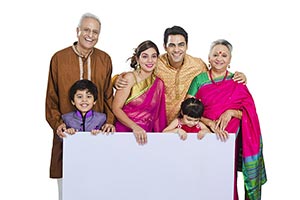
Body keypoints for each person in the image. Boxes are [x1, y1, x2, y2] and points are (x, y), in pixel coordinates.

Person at [114, 26, 247, 124]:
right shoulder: (156, 62)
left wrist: (239, 75)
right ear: (165, 47)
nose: (176, 50)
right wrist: (116, 79)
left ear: (187, 46)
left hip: (187, 125)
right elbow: (136, 75)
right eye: (172, 45)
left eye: (181, 45)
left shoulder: (197, 65)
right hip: (157, 125)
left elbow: (215, 79)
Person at [45, 12, 115, 199]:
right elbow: (51, 97)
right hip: (67, 137)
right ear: (77, 31)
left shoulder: (104, 59)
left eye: (95, 32)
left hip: (97, 135)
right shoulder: (59, 58)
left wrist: (109, 121)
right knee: (68, 191)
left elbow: (108, 95)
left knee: (98, 188)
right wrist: (58, 124)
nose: (90, 35)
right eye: (86, 30)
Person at [186, 39, 267, 200]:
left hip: (229, 140)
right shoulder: (199, 80)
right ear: (208, 58)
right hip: (203, 135)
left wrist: (231, 112)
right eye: (215, 54)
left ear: (230, 60)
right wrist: (208, 123)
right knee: (202, 177)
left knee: (226, 178)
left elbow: (250, 116)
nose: (219, 58)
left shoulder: (237, 82)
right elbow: (186, 109)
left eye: (224, 55)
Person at [112, 40, 167, 145]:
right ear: (137, 59)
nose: (150, 60)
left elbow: (157, 117)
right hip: (125, 132)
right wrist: (135, 127)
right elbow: (116, 108)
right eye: (145, 56)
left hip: (146, 135)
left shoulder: (159, 83)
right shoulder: (129, 78)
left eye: (154, 56)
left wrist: (160, 140)